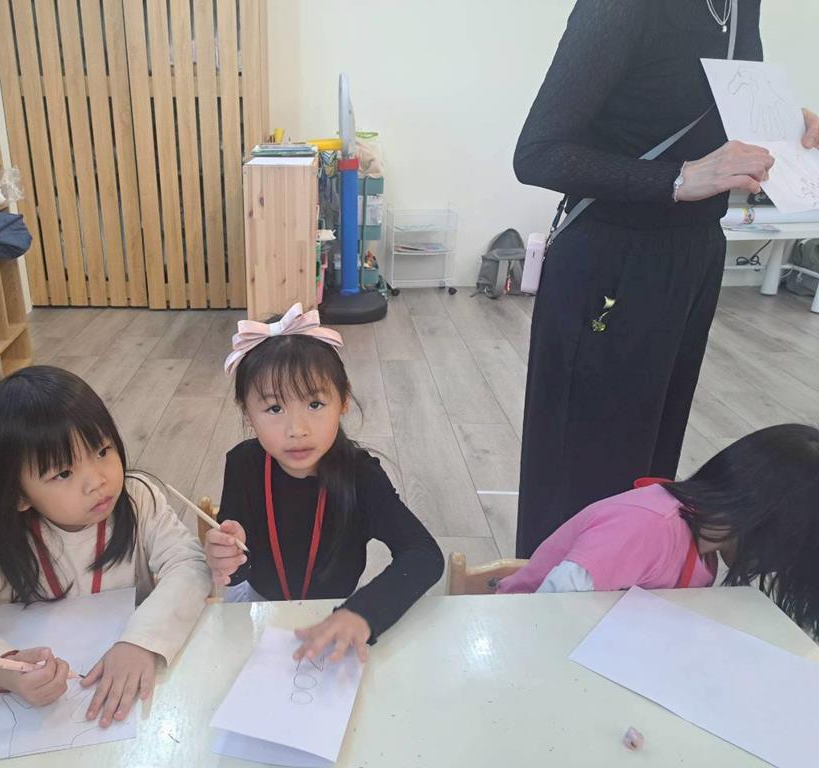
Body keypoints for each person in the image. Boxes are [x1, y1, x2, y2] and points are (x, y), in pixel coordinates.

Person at [512, 0, 819, 557]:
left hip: (696, 252)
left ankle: (626, 578)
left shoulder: (739, 6)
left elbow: (691, 107)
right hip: (613, 257)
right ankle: (554, 592)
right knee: (582, 464)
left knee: (650, 453)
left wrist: (786, 131)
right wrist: (678, 179)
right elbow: (537, 154)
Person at [0, 366, 211, 726]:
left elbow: (189, 565)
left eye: (102, 450)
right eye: (64, 473)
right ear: (18, 494)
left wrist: (142, 642)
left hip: (134, 696)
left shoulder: (138, 500)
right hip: (43, 718)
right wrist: (3, 668)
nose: (97, 480)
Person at [205, 304, 444, 664]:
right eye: (274, 409)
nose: (297, 429)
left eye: (315, 404)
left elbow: (424, 555)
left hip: (338, 614)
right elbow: (240, 569)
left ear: (343, 399)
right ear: (247, 413)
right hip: (259, 609)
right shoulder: (243, 464)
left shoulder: (362, 476)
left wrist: (362, 612)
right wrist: (226, 558)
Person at [499, 424, 819, 637]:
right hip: (517, 632)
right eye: (788, 551)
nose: (777, 564)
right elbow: (547, 609)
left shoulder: (703, 552)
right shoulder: (646, 527)